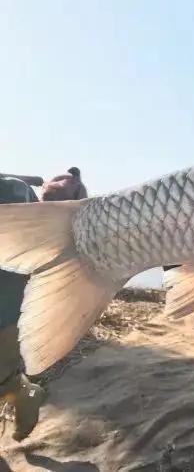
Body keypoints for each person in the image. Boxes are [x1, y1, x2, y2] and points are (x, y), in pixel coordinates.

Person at [0, 168, 87, 441]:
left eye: (76, 185)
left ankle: (23, 391)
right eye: (64, 175)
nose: (70, 176)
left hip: (10, 322)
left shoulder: (17, 191)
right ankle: (25, 392)